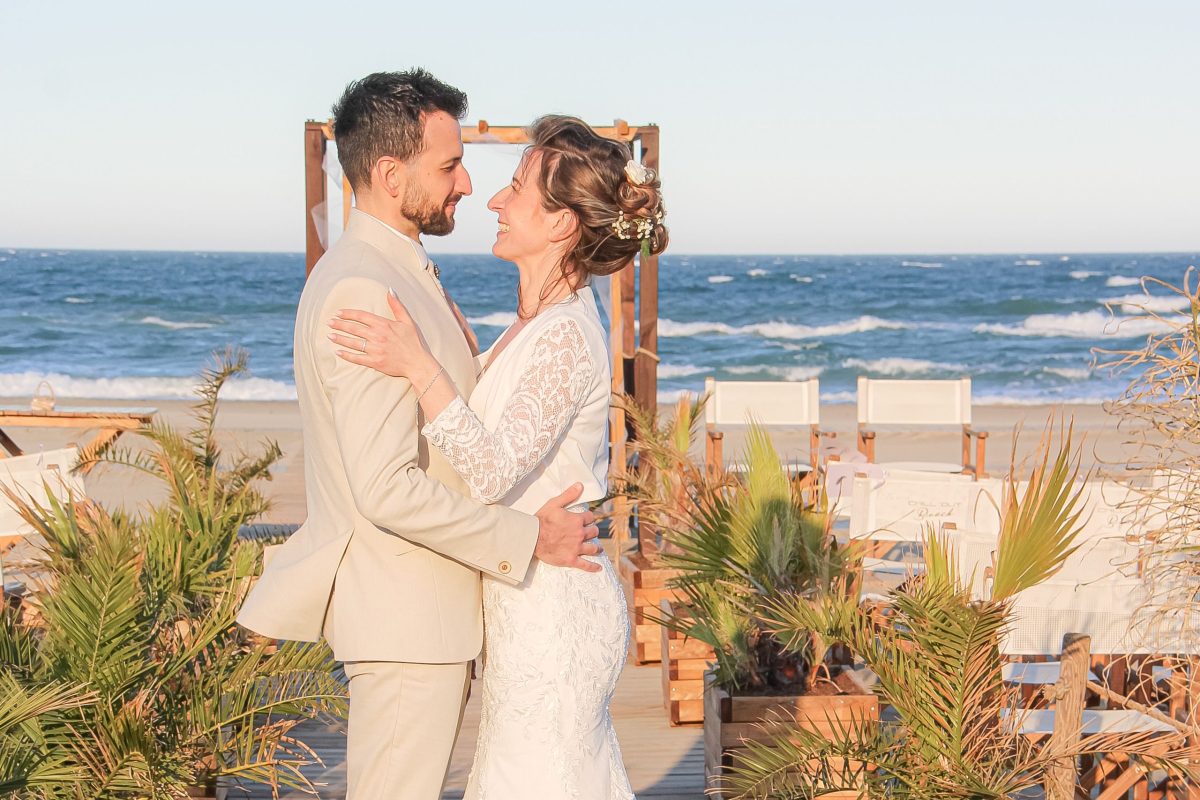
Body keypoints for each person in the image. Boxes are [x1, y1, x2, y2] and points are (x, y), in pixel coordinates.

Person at [236, 71, 601, 800]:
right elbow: (385, 488)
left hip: (430, 618)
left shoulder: (397, 272)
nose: (468, 183)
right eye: (449, 165)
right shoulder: (365, 287)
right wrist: (526, 538)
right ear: (389, 174)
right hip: (405, 622)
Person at [328, 114, 668, 798]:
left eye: (516, 189)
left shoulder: (565, 336)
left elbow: (488, 468)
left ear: (561, 225)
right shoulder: (536, 326)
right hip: (529, 601)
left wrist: (420, 367)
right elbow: (503, 424)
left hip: (554, 614)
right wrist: (456, 344)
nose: (493, 201)